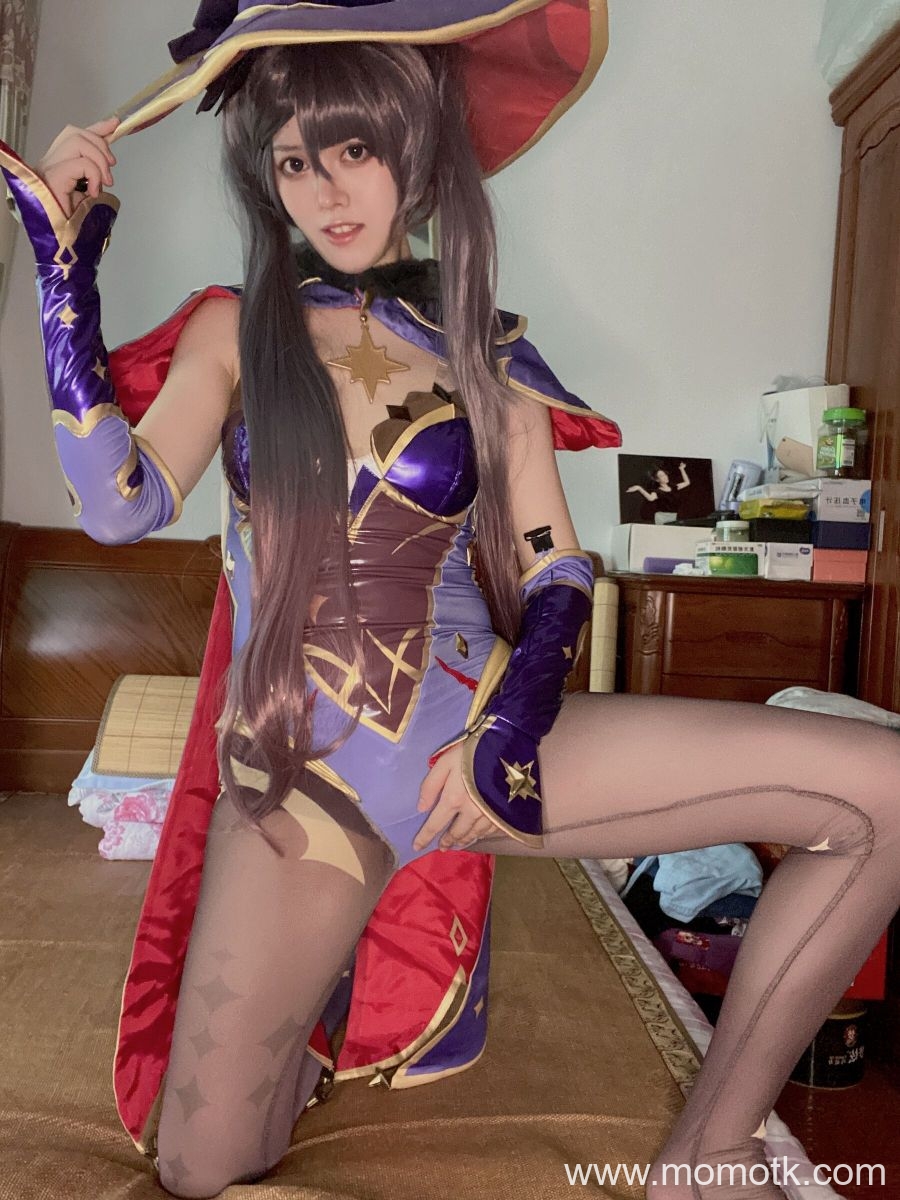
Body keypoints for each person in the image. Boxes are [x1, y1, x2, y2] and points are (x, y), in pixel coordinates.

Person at [2, 4, 899, 1198]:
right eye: (294, 161)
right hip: (304, 789)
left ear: (416, 149)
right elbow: (119, 507)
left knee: (882, 792)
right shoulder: (235, 329)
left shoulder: (489, 352)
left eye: (355, 149)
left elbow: (558, 568)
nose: (328, 190)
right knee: (200, 1169)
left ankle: (713, 1151)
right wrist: (64, 269)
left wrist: (509, 730)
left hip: (478, 746)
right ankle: (317, 994)